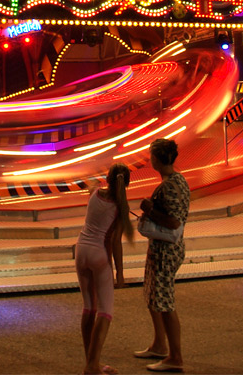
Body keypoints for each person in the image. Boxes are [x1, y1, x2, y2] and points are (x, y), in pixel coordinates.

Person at [134, 138, 190, 373]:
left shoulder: (170, 186)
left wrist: (150, 211)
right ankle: (159, 344)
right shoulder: (177, 180)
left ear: (156, 159)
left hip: (166, 251)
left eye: (151, 156)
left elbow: (174, 222)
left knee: (165, 302)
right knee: (155, 296)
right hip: (162, 249)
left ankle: (175, 356)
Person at [75, 164, 134, 375]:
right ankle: (92, 365)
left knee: (89, 307)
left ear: (107, 179)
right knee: (105, 311)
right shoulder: (120, 207)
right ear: (126, 184)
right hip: (99, 255)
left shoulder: (95, 193)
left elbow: (91, 184)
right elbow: (115, 242)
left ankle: (91, 363)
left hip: (81, 251)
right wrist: (120, 273)